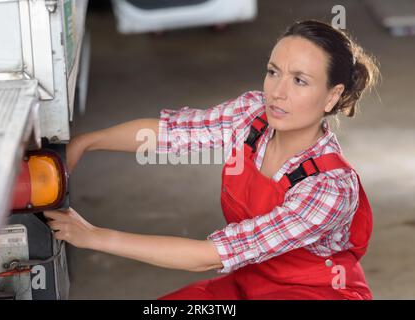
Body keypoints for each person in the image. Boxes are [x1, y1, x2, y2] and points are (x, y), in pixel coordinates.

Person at [44, 20, 379, 300]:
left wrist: (92, 236)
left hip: (317, 292)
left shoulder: (329, 187)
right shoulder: (251, 117)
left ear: (332, 95)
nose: (277, 92)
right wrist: (86, 143)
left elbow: (207, 257)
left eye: (300, 81)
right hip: (252, 280)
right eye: (274, 72)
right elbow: (169, 133)